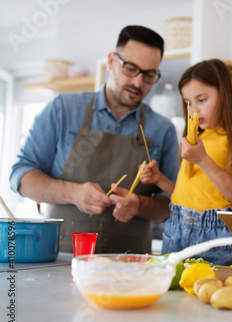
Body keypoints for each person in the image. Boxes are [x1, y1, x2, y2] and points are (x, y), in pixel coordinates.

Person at [9, 26, 179, 254]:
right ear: (111, 61)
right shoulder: (63, 110)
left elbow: (171, 204)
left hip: (130, 266)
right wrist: (73, 193)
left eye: (148, 75)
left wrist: (140, 205)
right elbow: (21, 177)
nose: (138, 83)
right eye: (130, 69)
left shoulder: (163, 129)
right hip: (62, 259)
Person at [140, 59, 232, 266]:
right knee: (172, 295)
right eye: (188, 102)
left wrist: (203, 159)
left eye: (202, 100)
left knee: (215, 295)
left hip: (218, 235)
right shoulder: (194, 137)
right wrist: (159, 179)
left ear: (225, 93)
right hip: (176, 228)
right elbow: (187, 196)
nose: (194, 111)